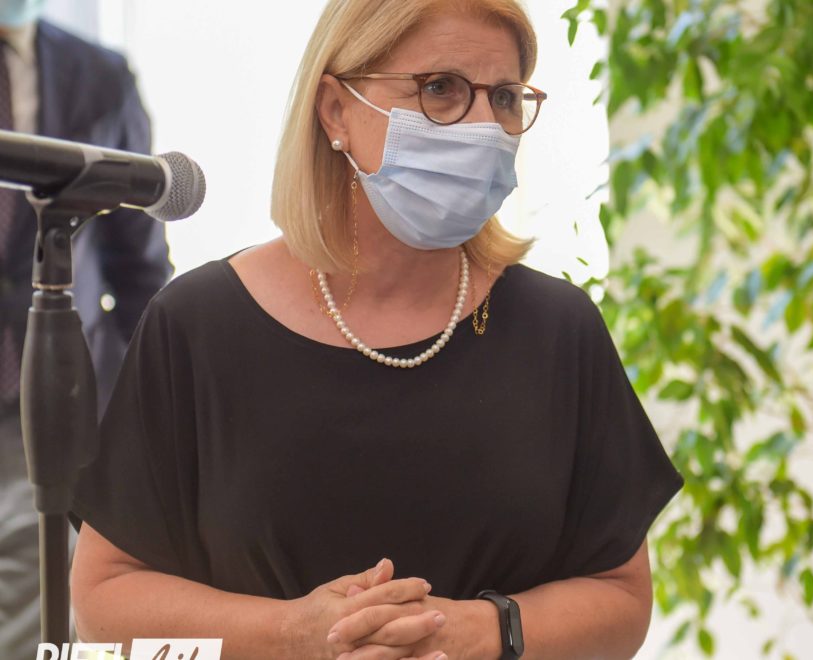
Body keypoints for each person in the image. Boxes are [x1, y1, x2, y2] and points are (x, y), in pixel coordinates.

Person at [68, 0, 683, 658]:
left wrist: (478, 631)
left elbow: (621, 598)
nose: (484, 127)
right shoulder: (198, 324)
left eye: (505, 97)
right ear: (336, 110)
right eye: (440, 88)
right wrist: (296, 636)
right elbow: (105, 602)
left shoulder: (558, 330)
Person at [0, 0, 172, 656]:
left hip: (51, 391)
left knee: (37, 595)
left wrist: (145, 400)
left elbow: (138, 261)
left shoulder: (99, 75)